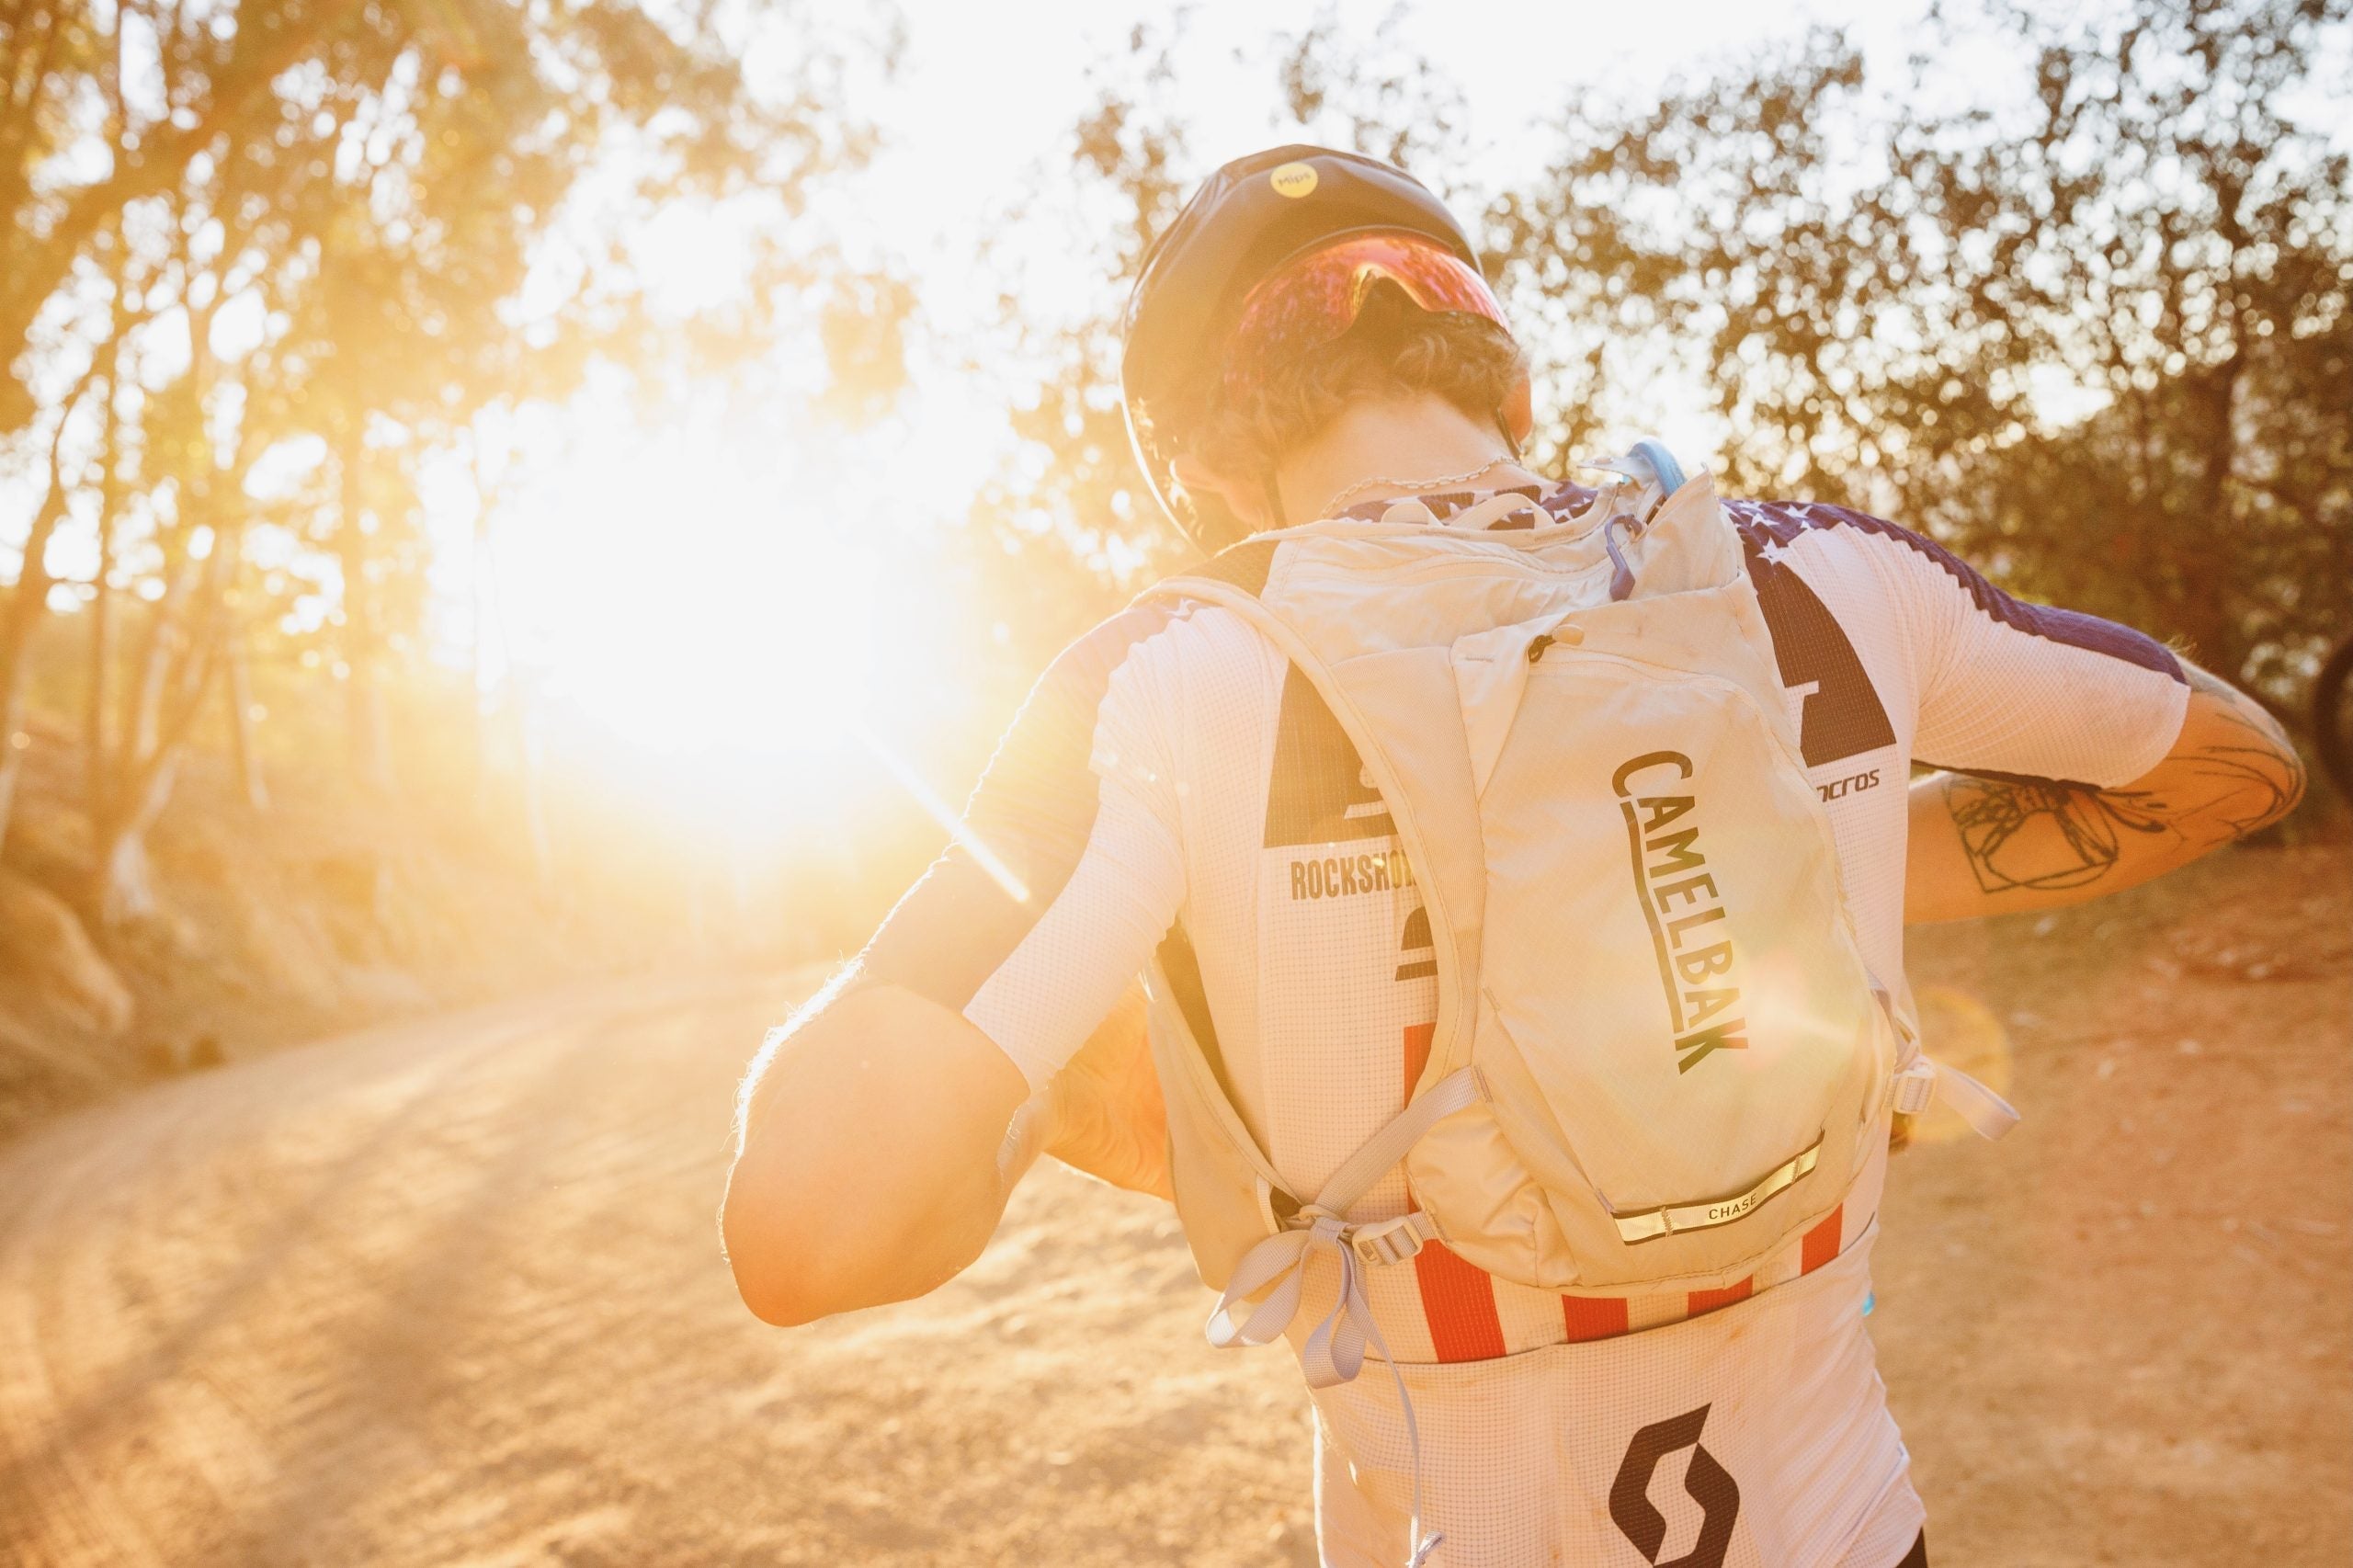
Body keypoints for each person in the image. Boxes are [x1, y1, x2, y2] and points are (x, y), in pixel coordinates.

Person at [721, 145, 2306, 1566]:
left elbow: (804, 1230)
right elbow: (2236, 764)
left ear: (1204, 472)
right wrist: (1826, 857)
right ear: (1510, 382)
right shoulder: (1820, 578)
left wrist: (1104, 1094)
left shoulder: (1169, 685)